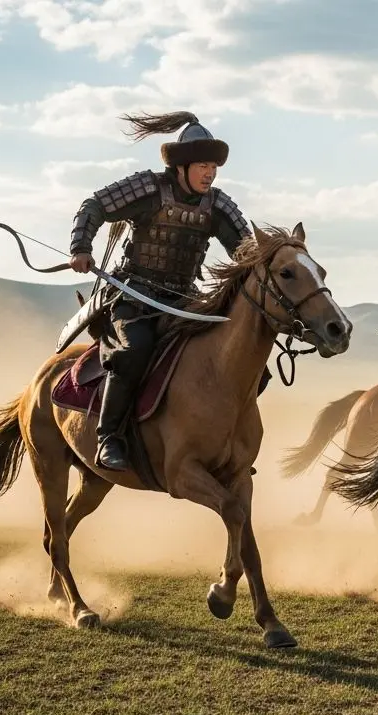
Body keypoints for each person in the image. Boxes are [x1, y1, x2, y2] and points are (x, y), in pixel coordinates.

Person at [67, 110, 253, 472]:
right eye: (203, 165)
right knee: (134, 351)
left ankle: (221, 440)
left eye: (213, 167)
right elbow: (94, 206)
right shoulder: (149, 189)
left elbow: (247, 252)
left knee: (240, 359)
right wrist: (81, 248)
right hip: (133, 297)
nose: (210, 173)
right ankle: (109, 438)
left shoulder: (218, 205)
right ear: (181, 166)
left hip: (185, 301)